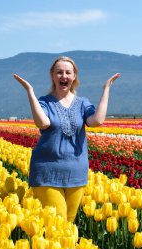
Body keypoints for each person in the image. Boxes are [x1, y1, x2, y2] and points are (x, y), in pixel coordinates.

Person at [13, 56, 120, 222]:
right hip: (47, 172)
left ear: (74, 76)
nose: (64, 76)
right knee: (58, 221)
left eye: (68, 72)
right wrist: (30, 92)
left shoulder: (82, 103)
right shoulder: (45, 102)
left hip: (76, 172)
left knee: (68, 225)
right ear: (52, 76)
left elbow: (96, 121)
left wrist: (106, 89)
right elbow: (43, 122)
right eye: (59, 72)